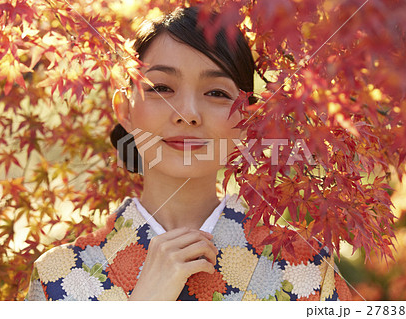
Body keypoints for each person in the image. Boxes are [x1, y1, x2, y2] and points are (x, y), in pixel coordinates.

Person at [25, 6, 352, 301]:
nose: (187, 113)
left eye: (216, 92)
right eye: (161, 88)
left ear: (248, 121)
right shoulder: (59, 276)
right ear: (124, 109)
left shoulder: (305, 267)